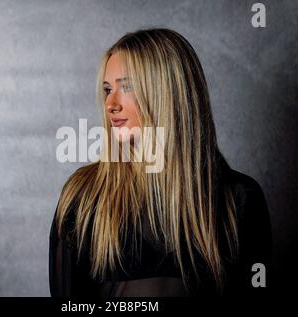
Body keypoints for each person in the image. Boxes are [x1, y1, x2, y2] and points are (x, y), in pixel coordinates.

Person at [49, 28, 272, 297]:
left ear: (169, 92)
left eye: (127, 86)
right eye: (107, 89)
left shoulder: (238, 199)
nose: (110, 103)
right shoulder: (83, 197)